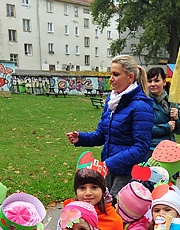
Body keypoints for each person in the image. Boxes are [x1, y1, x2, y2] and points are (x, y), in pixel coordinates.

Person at [66, 55, 154, 195]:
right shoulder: (112, 101)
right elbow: (101, 134)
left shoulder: (141, 106)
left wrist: (110, 163)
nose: (111, 79)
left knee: (118, 212)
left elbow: (141, 147)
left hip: (127, 174)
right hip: (108, 170)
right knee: (105, 210)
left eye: (116, 74)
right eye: (110, 74)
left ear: (130, 77)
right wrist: (81, 138)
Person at [146, 65, 180, 152]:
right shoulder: (145, 102)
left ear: (164, 82)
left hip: (170, 148)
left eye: (156, 81)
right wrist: (166, 127)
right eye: (149, 81)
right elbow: (144, 129)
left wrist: (177, 119)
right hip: (152, 149)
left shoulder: (172, 102)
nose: (152, 84)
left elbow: (179, 130)